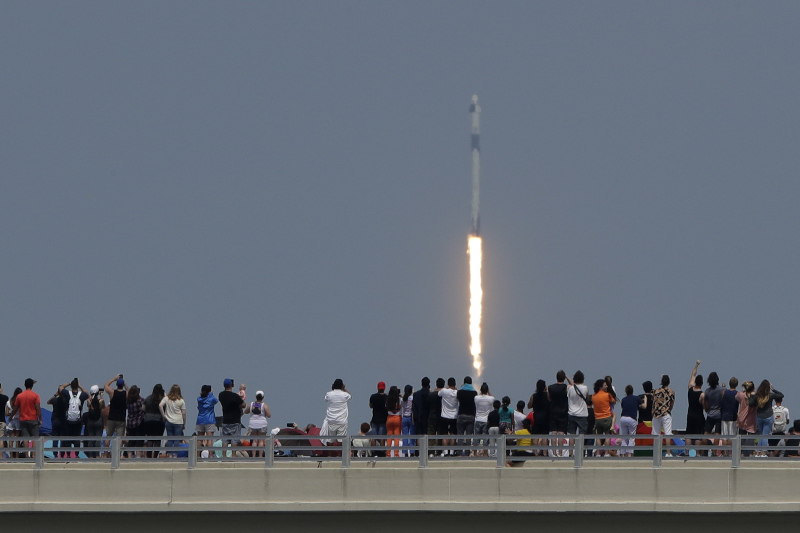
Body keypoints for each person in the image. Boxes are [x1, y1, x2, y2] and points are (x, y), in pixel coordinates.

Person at [749, 380, 783, 457]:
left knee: (761, 435)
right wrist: (773, 389)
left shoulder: (757, 396)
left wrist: (752, 396)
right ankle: (763, 453)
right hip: (768, 416)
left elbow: (751, 404)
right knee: (765, 435)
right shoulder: (770, 395)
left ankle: (758, 453)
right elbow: (781, 395)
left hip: (759, 416)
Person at [10, 378, 42, 458]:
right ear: (32, 386)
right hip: (33, 418)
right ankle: (34, 455)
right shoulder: (36, 395)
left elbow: (15, 408)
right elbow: (38, 408)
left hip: (23, 419)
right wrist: (40, 419)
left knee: (25, 438)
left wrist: (11, 416)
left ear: (24, 385)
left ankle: (26, 456)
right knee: (35, 437)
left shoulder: (20, 396)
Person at [700, 371, 723, 456]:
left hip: (710, 414)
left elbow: (705, 403)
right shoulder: (721, 390)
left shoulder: (707, 391)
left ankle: (703, 451)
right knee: (717, 434)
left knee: (706, 433)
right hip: (719, 414)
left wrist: (707, 410)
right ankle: (714, 452)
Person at [159, 384, 187, 457]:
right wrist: (184, 423)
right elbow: (183, 413)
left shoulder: (167, 398)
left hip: (169, 421)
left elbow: (160, 405)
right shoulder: (181, 401)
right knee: (177, 439)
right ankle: (175, 454)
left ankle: (170, 454)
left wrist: (163, 416)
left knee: (170, 438)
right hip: (178, 421)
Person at [651, 375, 675, 457]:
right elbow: (672, 404)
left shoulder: (655, 391)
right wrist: (668, 410)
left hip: (656, 414)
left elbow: (653, 402)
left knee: (656, 434)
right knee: (668, 433)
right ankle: (668, 453)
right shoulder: (671, 392)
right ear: (669, 382)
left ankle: (656, 453)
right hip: (666, 413)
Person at [592, 379, 616, 457]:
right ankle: (606, 453)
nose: (606, 386)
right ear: (601, 386)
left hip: (598, 418)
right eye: (605, 385)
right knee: (607, 435)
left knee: (599, 436)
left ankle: (598, 453)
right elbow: (613, 401)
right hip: (606, 417)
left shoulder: (594, 396)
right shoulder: (607, 395)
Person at [219, 378, 245, 449]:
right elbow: (243, 405)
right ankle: (233, 456)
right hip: (235, 420)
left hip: (225, 420)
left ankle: (224, 456)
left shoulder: (221, 395)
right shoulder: (235, 396)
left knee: (225, 440)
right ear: (232, 385)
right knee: (234, 440)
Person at [245, 390, 272, 456]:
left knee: (254, 440)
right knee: (261, 440)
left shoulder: (251, 404)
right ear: (263, 397)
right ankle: (260, 456)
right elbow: (269, 415)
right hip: (262, 424)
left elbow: (246, 411)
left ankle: (254, 456)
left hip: (253, 424)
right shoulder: (264, 405)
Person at [142, 384, 166, 458]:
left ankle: (149, 455)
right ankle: (155, 455)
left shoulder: (148, 398)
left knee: (150, 438)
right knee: (158, 439)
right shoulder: (163, 399)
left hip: (148, 420)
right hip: (159, 421)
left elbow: (143, 409)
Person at [456, 377, 477, 456]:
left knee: (460, 435)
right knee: (468, 435)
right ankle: (467, 452)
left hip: (461, 414)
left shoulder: (460, 392)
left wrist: (462, 387)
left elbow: (458, 399)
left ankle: (459, 453)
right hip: (471, 416)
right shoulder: (474, 393)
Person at [686, 360, 705, 448]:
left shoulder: (690, 388)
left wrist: (696, 365)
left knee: (688, 435)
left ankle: (687, 452)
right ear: (702, 383)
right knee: (698, 436)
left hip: (690, 414)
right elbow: (704, 406)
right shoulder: (702, 394)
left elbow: (693, 375)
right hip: (699, 416)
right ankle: (697, 453)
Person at [47, 384, 69, 458]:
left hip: (55, 420)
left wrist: (55, 395)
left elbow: (48, 402)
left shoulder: (55, 400)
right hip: (63, 420)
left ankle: (55, 454)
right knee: (63, 438)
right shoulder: (66, 401)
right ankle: (62, 453)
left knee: (55, 438)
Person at [618, 385, 641, 457]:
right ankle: (629, 454)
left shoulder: (623, 399)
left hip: (623, 418)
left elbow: (622, 407)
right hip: (631, 418)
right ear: (632, 391)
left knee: (624, 437)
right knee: (631, 437)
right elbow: (641, 406)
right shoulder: (637, 398)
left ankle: (623, 453)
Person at [438, 378, 459, 456]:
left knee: (444, 435)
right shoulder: (457, 393)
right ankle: (452, 452)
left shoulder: (444, 391)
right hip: (454, 416)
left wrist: (446, 388)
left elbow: (438, 394)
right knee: (453, 435)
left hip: (444, 416)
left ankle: (446, 452)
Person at [736, 381, 757, 457]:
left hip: (742, 418)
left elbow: (736, 396)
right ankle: (751, 454)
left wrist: (743, 390)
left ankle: (741, 454)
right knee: (751, 437)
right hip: (751, 418)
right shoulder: (755, 396)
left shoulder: (741, 395)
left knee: (742, 437)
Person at [84, 385, 105, 459]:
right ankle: (97, 455)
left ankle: (90, 455)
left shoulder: (89, 400)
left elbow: (88, 405)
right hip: (98, 421)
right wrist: (101, 396)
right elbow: (102, 407)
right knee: (97, 439)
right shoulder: (100, 400)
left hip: (90, 421)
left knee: (91, 438)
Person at [474, 382, 495, 456]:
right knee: (485, 438)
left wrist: (481, 391)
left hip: (478, 419)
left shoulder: (476, 398)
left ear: (480, 390)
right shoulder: (490, 398)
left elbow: (478, 396)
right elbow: (493, 398)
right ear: (487, 390)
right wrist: (488, 391)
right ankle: (485, 453)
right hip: (486, 420)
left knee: (476, 437)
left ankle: (475, 454)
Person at [196, 385, 218, 453]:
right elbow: (216, 400)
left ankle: (198, 455)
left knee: (199, 439)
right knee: (209, 439)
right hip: (209, 420)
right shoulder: (211, 399)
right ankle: (210, 455)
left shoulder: (199, 399)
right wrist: (211, 393)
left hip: (200, 420)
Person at [719, 377, 739, 455]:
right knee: (731, 436)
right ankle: (730, 453)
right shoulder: (737, 394)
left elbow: (721, 401)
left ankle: (724, 453)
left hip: (724, 416)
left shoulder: (724, 392)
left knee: (724, 436)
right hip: (733, 416)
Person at [104, 374, 127, 438]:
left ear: (116, 385)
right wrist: (125, 384)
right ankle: (118, 448)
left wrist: (114, 379)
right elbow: (130, 391)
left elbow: (106, 386)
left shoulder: (112, 392)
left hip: (112, 417)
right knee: (119, 438)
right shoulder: (126, 394)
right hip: (121, 419)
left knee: (108, 436)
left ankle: (106, 448)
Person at [125, 385, 146, 458]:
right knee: (139, 441)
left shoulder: (128, 401)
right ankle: (138, 457)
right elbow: (144, 409)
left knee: (131, 441)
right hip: (139, 423)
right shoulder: (140, 400)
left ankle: (130, 457)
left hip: (130, 423)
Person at [369, 381, 388, 457]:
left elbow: (371, 406)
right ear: (384, 388)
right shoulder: (386, 397)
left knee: (374, 437)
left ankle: (374, 452)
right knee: (382, 437)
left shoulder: (373, 396)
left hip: (375, 418)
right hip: (383, 419)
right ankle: (382, 452)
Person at [427, 378, 444, 455]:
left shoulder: (431, 395)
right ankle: (439, 451)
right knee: (440, 434)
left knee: (431, 435)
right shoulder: (443, 395)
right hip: (441, 417)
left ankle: (430, 452)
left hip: (432, 416)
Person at [411, 377, 430, 441]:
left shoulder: (416, 394)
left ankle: (418, 450)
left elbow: (414, 406)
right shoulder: (429, 394)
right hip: (427, 417)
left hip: (418, 417)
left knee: (419, 435)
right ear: (428, 384)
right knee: (426, 435)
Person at [6, 388, 22, 458]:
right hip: (18, 420)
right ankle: (17, 456)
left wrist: (11, 414)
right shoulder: (20, 402)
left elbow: (6, 413)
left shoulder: (9, 402)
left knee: (11, 439)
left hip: (11, 420)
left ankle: (11, 456)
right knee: (17, 440)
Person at [386, 386, 402, 457]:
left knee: (389, 436)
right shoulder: (400, 399)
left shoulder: (387, 400)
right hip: (397, 418)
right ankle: (396, 453)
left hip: (389, 418)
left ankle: (388, 453)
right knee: (396, 437)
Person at [401, 384, 415, 456]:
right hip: (411, 417)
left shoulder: (403, 399)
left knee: (405, 436)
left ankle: (405, 452)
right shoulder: (412, 398)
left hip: (404, 417)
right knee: (412, 435)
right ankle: (412, 451)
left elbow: (402, 406)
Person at [0, 385, 7, 455]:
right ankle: (1, 456)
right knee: (1, 439)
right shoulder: (4, 398)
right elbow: (6, 399)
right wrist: (2, 392)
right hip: (2, 420)